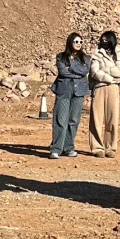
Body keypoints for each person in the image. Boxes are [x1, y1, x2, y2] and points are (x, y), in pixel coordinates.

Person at [48, 31, 90, 159]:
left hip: (79, 91)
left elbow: (85, 71)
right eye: (76, 41)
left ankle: (69, 147)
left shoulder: (85, 58)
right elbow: (62, 72)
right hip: (64, 89)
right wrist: (77, 72)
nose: (78, 44)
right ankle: (56, 148)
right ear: (70, 42)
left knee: (74, 120)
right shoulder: (61, 57)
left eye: (80, 42)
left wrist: (70, 68)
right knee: (61, 119)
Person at [88, 29, 120, 158]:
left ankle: (111, 147)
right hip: (99, 87)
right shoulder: (97, 52)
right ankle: (97, 147)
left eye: (106, 40)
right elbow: (94, 71)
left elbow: (119, 71)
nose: (104, 42)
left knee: (113, 118)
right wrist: (109, 78)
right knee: (96, 118)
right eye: (102, 40)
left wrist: (104, 70)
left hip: (113, 88)